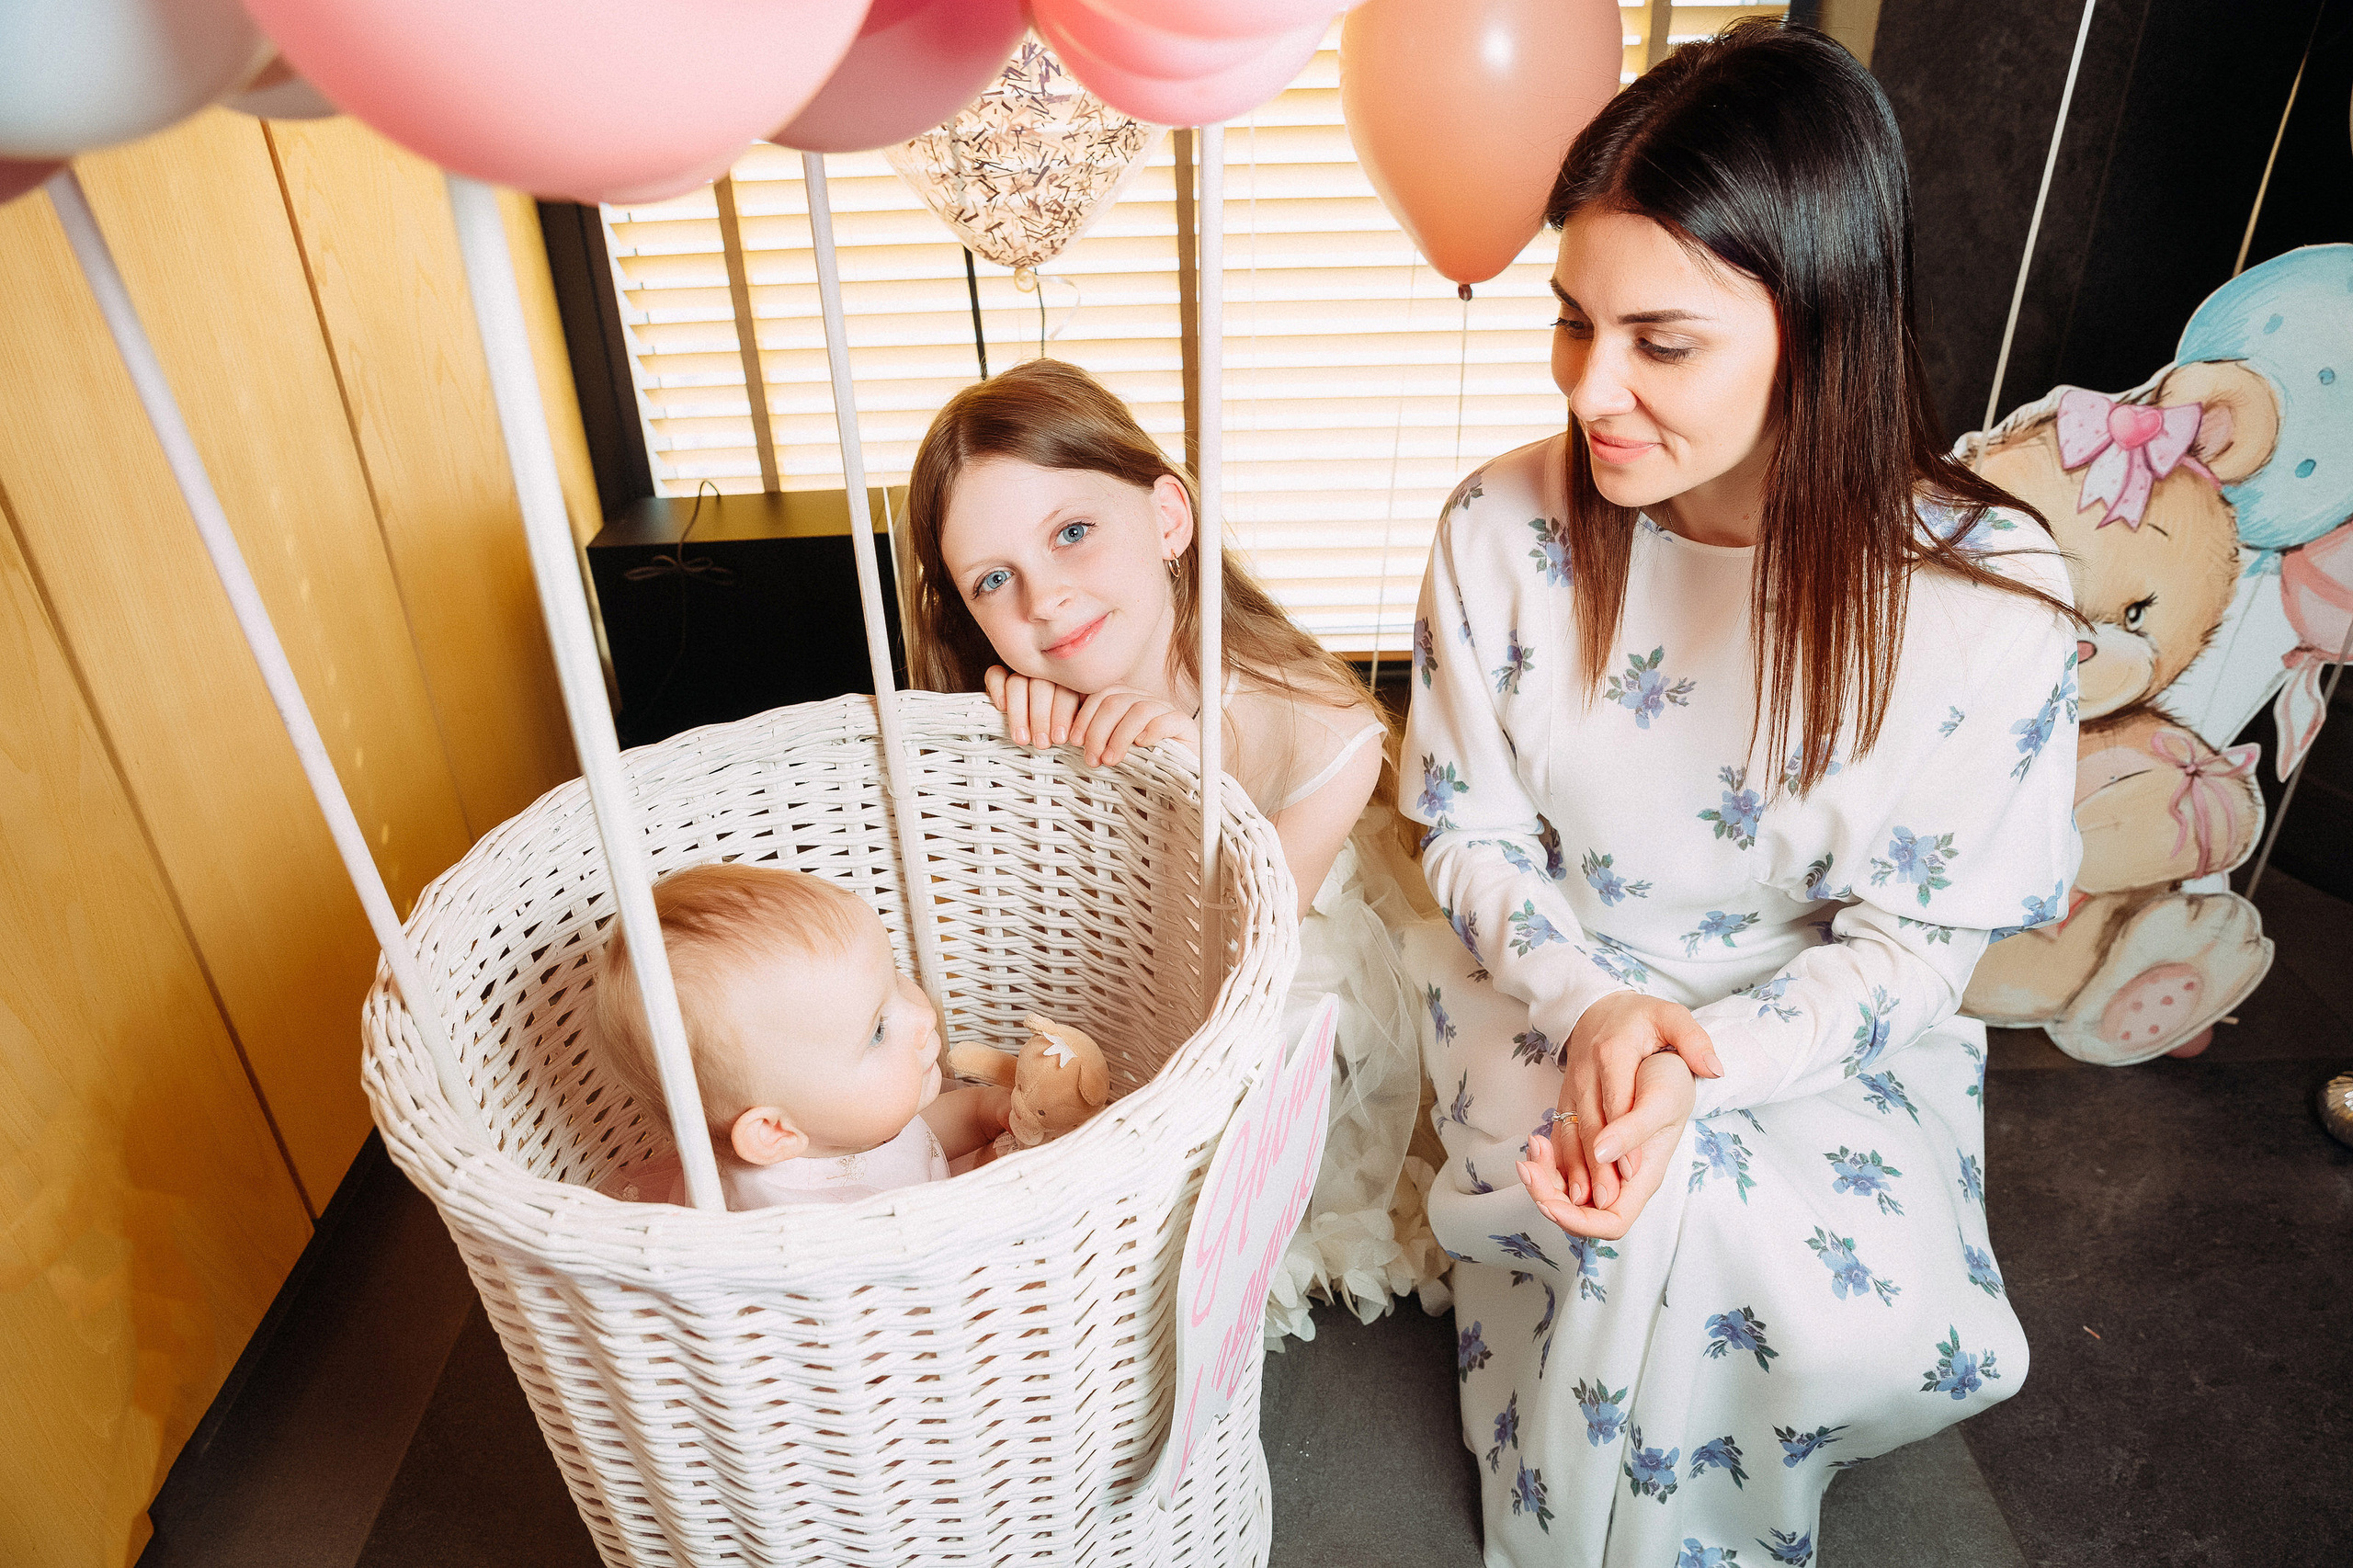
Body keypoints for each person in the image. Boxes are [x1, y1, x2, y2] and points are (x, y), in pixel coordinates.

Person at [1398, 21, 2080, 1564]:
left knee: (1733, 1239)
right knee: (1643, 1220)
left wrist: (1705, 1064)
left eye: (1663, 340)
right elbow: (1475, 834)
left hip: (1816, 1021)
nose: (1592, 390)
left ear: (1822, 324)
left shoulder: (1990, 603)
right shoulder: (1499, 531)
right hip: (1550, 976)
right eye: (1572, 322)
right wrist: (1593, 1013)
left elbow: (1914, 953)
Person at [903, 358, 1448, 1342]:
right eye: (994, 579)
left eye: (1073, 533)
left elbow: (1233, 969)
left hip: (1252, 958)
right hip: (1107, 942)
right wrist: (1032, 742)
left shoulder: (1321, 728)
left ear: (1166, 520)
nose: (1045, 600)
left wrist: (1180, 777)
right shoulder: (1027, 687)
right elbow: (1014, 907)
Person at [595, 863, 1011, 1209]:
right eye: (878, 1031)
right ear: (776, 1132)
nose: (922, 1016)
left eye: (896, 976)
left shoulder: (836, 1121)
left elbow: (916, 1140)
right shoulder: (799, 1227)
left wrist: (984, 1112)